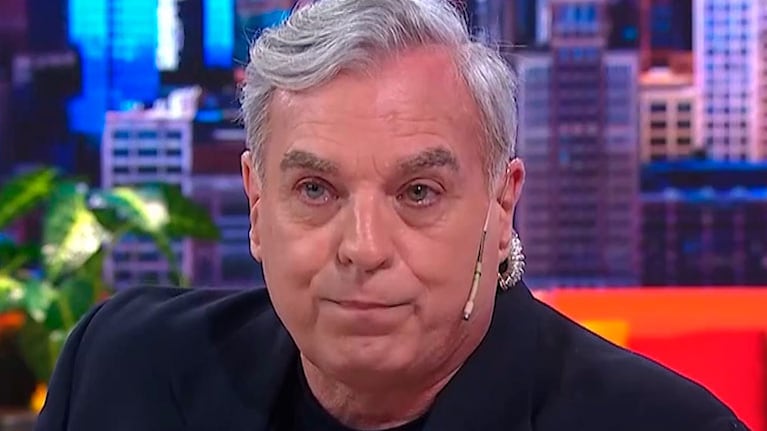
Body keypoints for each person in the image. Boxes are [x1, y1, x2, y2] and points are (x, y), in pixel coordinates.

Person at [37, 0, 748, 430]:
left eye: (418, 193)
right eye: (315, 189)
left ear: (501, 206)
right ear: (257, 203)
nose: (364, 247)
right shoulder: (120, 367)